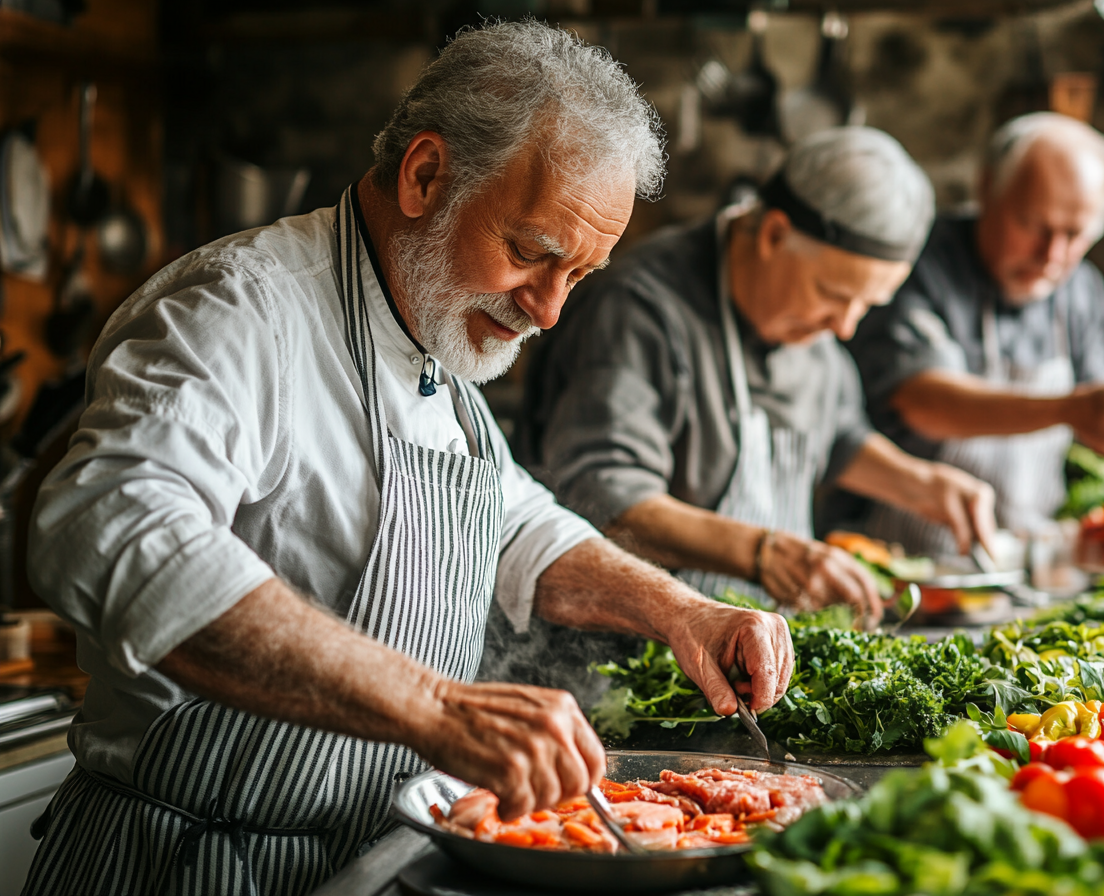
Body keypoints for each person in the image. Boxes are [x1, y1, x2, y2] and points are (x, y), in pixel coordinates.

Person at [21, 22, 793, 896]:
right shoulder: (242, 310)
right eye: (530, 254)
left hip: (359, 858)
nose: (548, 311)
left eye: (578, 276)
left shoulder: (436, 337)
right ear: (425, 176)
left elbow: (517, 526)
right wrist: (438, 708)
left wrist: (683, 612)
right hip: (188, 864)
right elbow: (109, 527)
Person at [514, 126, 995, 637]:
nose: (845, 327)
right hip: (620, 657)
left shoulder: (809, 326)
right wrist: (764, 552)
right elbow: (602, 496)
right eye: (834, 295)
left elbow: (836, 437)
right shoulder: (638, 308)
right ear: (774, 235)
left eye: (867, 305)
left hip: (751, 649)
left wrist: (922, 484)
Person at [845, 112, 1104, 557]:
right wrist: (1070, 408)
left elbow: (1101, 413)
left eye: (1075, 234)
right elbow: (922, 400)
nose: (1051, 255)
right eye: (1034, 225)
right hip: (896, 559)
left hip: (1021, 561)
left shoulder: (1081, 289)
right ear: (987, 187)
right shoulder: (920, 262)